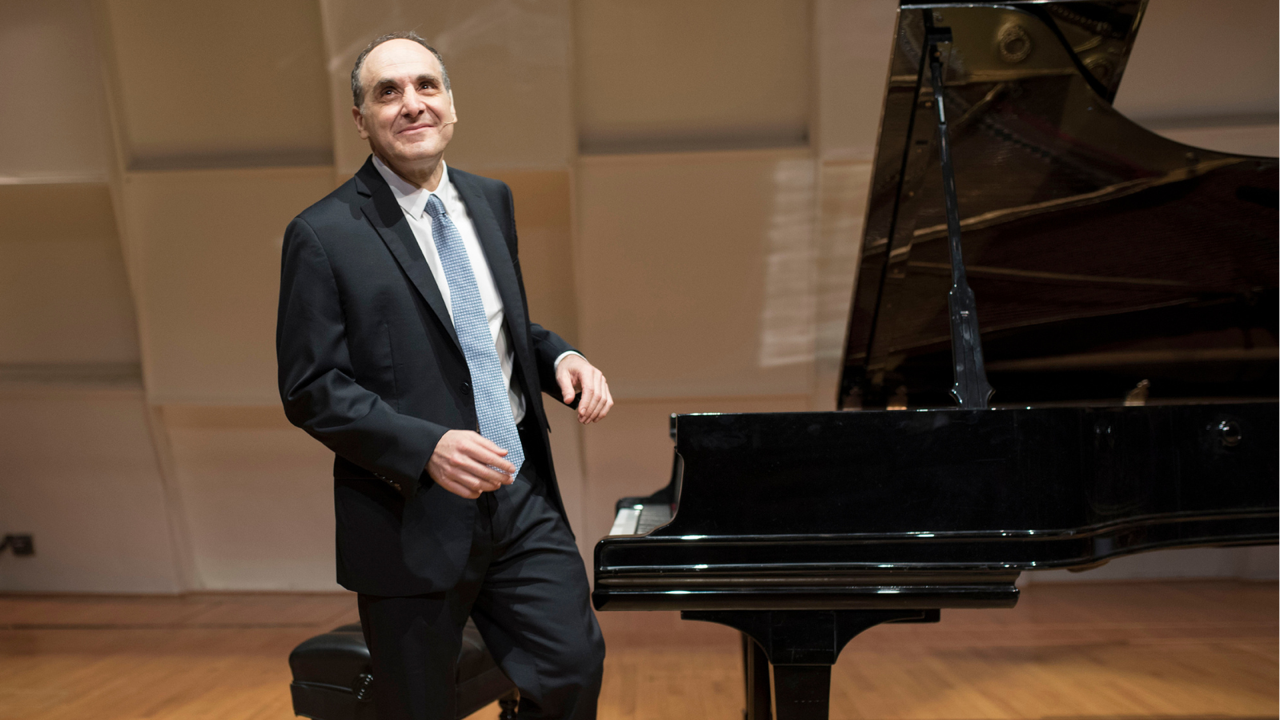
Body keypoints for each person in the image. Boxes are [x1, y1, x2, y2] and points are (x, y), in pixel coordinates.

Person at [276, 31, 611, 720]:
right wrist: (424, 446)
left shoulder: (491, 200)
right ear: (360, 118)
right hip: (410, 516)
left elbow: (493, 328)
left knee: (572, 669)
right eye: (387, 91)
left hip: (520, 497)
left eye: (427, 86)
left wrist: (560, 358)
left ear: (451, 102)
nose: (412, 104)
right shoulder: (322, 234)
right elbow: (312, 389)